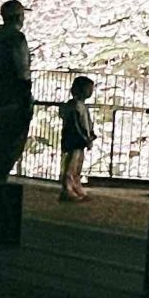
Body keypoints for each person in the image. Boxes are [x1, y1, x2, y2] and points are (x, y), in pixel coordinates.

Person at [0, 0, 34, 182]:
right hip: (15, 97)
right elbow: (22, 71)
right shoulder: (16, 38)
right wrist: (26, 97)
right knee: (12, 138)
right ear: (19, 17)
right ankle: (0, 175)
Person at [57, 74, 97, 202]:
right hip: (75, 139)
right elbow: (77, 124)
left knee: (76, 164)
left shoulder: (78, 106)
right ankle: (68, 189)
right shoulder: (76, 106)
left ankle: (75, 187)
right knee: (71, 164)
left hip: (77, 139)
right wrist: (86, 137)